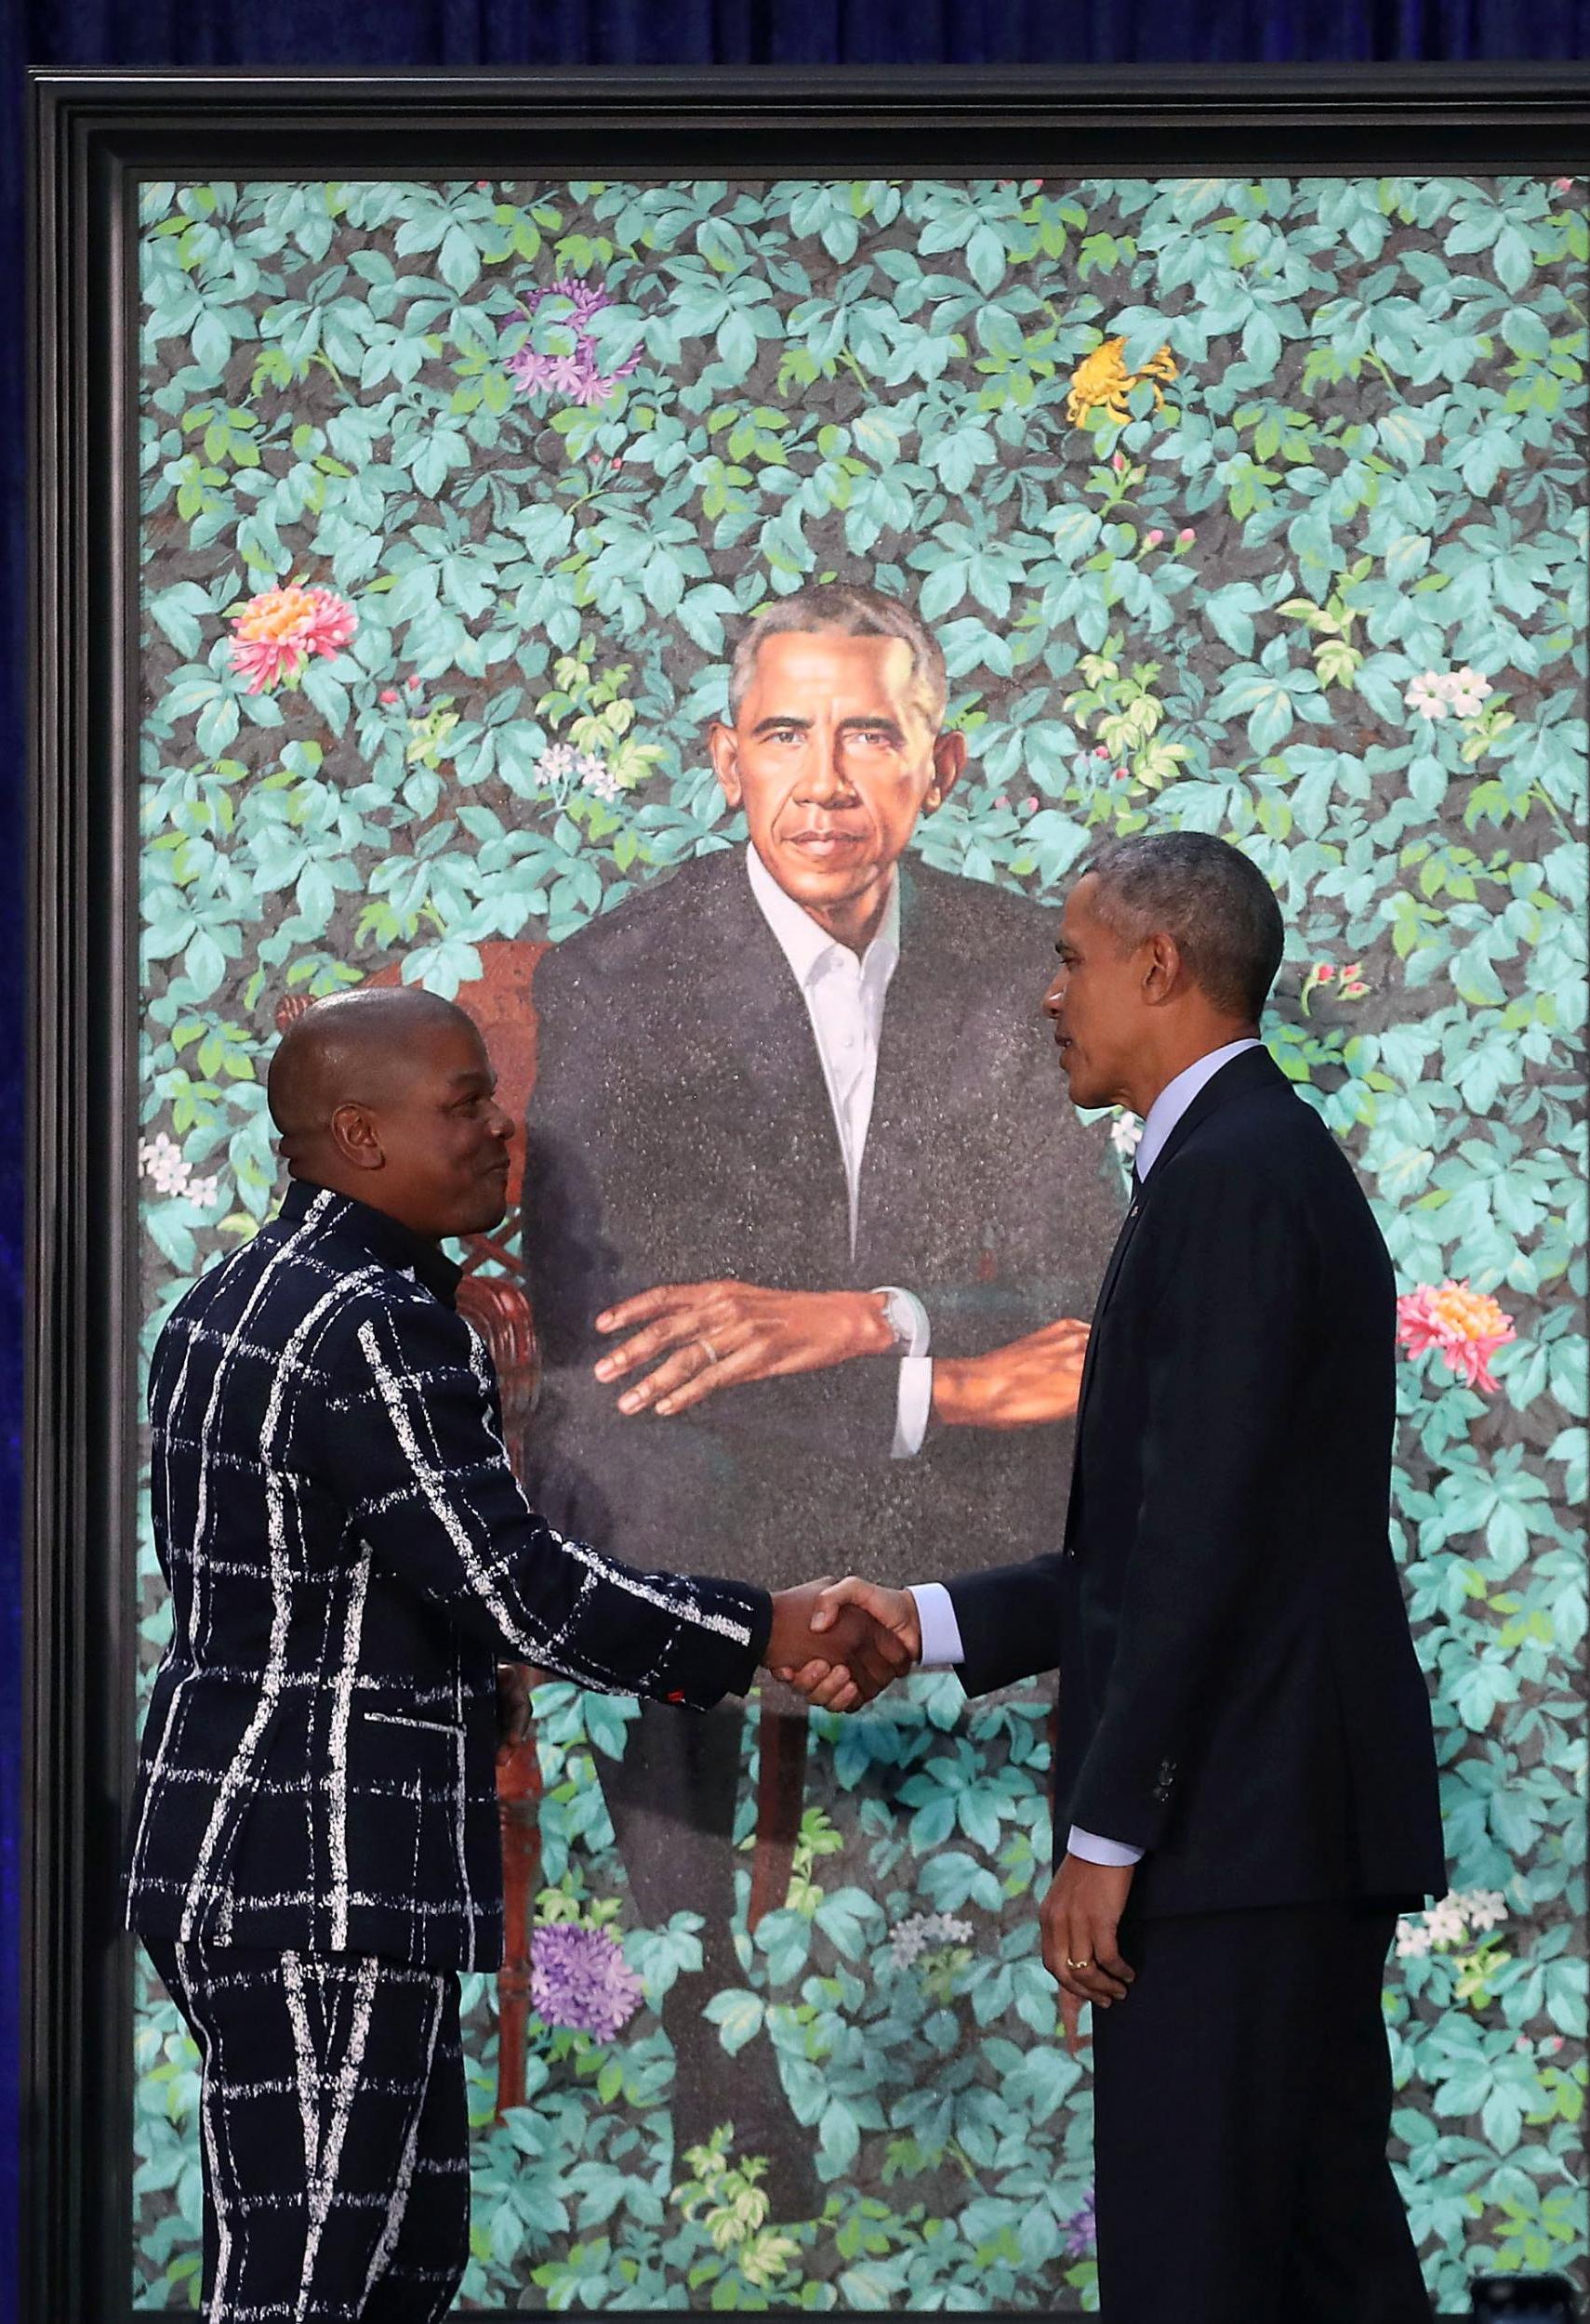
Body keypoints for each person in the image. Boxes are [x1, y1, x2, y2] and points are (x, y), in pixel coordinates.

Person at [123, 985, 901, 2324]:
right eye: (464, 1103)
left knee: (389, 2274)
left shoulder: (234, 1299)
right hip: (323, 1881)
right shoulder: (371, 1322)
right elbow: (519, 1594)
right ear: (358, 1137)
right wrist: (766, 1626)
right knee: (314, 2291)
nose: (502, 1127)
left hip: (268, 1862)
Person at [801, 832, 1448, 2324]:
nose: (1049, 997)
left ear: (1162, 967)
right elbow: (1173, 1538)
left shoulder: (1232, 1179)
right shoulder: (1238, 1168)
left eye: (1072, 960)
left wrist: (1109, 1832)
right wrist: (934, 1617)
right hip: (1274, 1831)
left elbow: (1204, 1544)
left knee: (1205, 2274)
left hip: (1237, 1839)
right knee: (1325, 2267)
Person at [521, 584, 1120, 2189]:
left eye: (871, 733)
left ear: (944, 765)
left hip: (950, 1465)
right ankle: (711, 2020)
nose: (826, 780)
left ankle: (1064, 1964)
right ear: (726, 760)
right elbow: (628, 1331)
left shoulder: (1024, 962)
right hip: (715, 1469)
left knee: (1129, 1456)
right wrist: (955, 1388)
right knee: (625, 1461)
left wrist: (871, 1321)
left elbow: (1089, 1280)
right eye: (785, 733)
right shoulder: (619, 976)